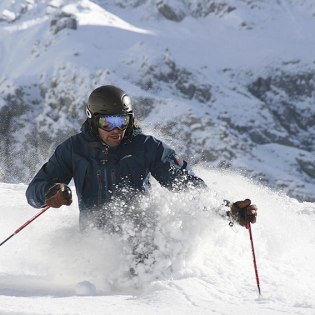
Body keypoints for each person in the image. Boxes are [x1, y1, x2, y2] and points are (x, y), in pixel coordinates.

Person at [26, 85, 257, 231]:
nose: (117, 130)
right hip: (94, 247)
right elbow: (33, 191)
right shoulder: (73, 149)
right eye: (108, 122)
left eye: (122, 121)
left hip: (142, 244)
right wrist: (49, 192)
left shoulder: (147, 147)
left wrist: (227, 210)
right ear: (93, 120)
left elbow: (186, 184)